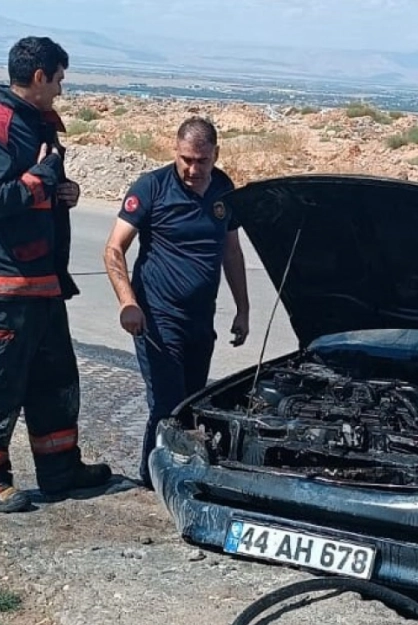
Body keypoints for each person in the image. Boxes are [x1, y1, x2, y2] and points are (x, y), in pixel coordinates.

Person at [0, 35, 111, 513]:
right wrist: (42, 178)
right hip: (3, 287)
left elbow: (36, 191)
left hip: (42, 283)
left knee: (55, 381)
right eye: (60, 79)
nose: (62, 90)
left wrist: (62, 190)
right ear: (40, 76)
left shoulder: (32, 124)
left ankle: (61, 471)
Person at [103, 116, 250, 489]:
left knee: (192, 404)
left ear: (216, 154)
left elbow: (231, 251)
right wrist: (127, 303)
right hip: (156, 318)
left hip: (200, 321)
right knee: (167, 406)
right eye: (185, 158)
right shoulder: (152, 188)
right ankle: (152, 481)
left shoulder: (223, 188)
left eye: (201, 160)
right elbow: (114, 249)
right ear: (175, 151)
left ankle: (176, 474)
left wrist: (243, 309)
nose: (192, 168)